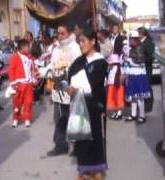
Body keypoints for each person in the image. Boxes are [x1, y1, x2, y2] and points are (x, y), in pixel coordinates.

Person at [67, 29, 108, 180]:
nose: (81, 44)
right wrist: (69, 88)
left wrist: (78, 89)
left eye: (84, 41)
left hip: (93, 106)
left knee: (94, 139)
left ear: (93, 41)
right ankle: (83, 172)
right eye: (80, 41)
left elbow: (96, 86)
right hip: (78, 104)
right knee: (81, 139)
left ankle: (97, 172)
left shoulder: (100, 62)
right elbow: (70, 77)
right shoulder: (79, 61)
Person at [40, 24, 81, 156]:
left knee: (74, 117)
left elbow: (78, 67)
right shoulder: (56, 48)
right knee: (59, 118)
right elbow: (52, 64)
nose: (59, 36)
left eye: (62, 33)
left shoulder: (74, 47)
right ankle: (60, 145)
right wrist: (43, 72)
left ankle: (77, 147)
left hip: (71, 87)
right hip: (58, 88)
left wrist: (66, 72)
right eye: (58, 33)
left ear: (68, 33)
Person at [124, 31, 151, 124]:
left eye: (132, 39)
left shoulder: (139, 48)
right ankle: (133, 114)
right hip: (132, 74)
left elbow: (140, 61)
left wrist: (129, 60)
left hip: (139, 74)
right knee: (133, 97)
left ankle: (142, 115)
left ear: (135, 39)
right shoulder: (131, 48)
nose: (130, 41)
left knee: (140, 97)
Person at [8, 39, 36, 128]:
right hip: (19, 84)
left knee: (29, 102)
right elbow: (11, 70)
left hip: (29, 83)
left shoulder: (30, 57)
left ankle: (27, 118)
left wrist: (34, 78)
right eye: (28, 46)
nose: (29, 48)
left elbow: (33, 68)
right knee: (17, 103)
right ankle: (16, 118)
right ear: (22, 48)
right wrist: (13, 82)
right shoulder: (15, 56)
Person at [138, 27, 155, 113]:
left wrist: (142, 60)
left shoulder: (148, 42)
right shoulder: (141, 42)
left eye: (138, 33)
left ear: (142, 34)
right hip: (141, 68)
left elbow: (150, 56)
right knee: (144, 86)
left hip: (147, 67)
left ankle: (149, 105)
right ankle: (143, 104)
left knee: (148, 86)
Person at [106, 54, 125, 120]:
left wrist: (120, 82)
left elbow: (122, 77)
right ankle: (114, 112)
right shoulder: (111, 69)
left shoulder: (120, 69)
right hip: (111, 86)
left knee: (118, 99)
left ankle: (119, 113)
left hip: (118, 86)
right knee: (112, 99)